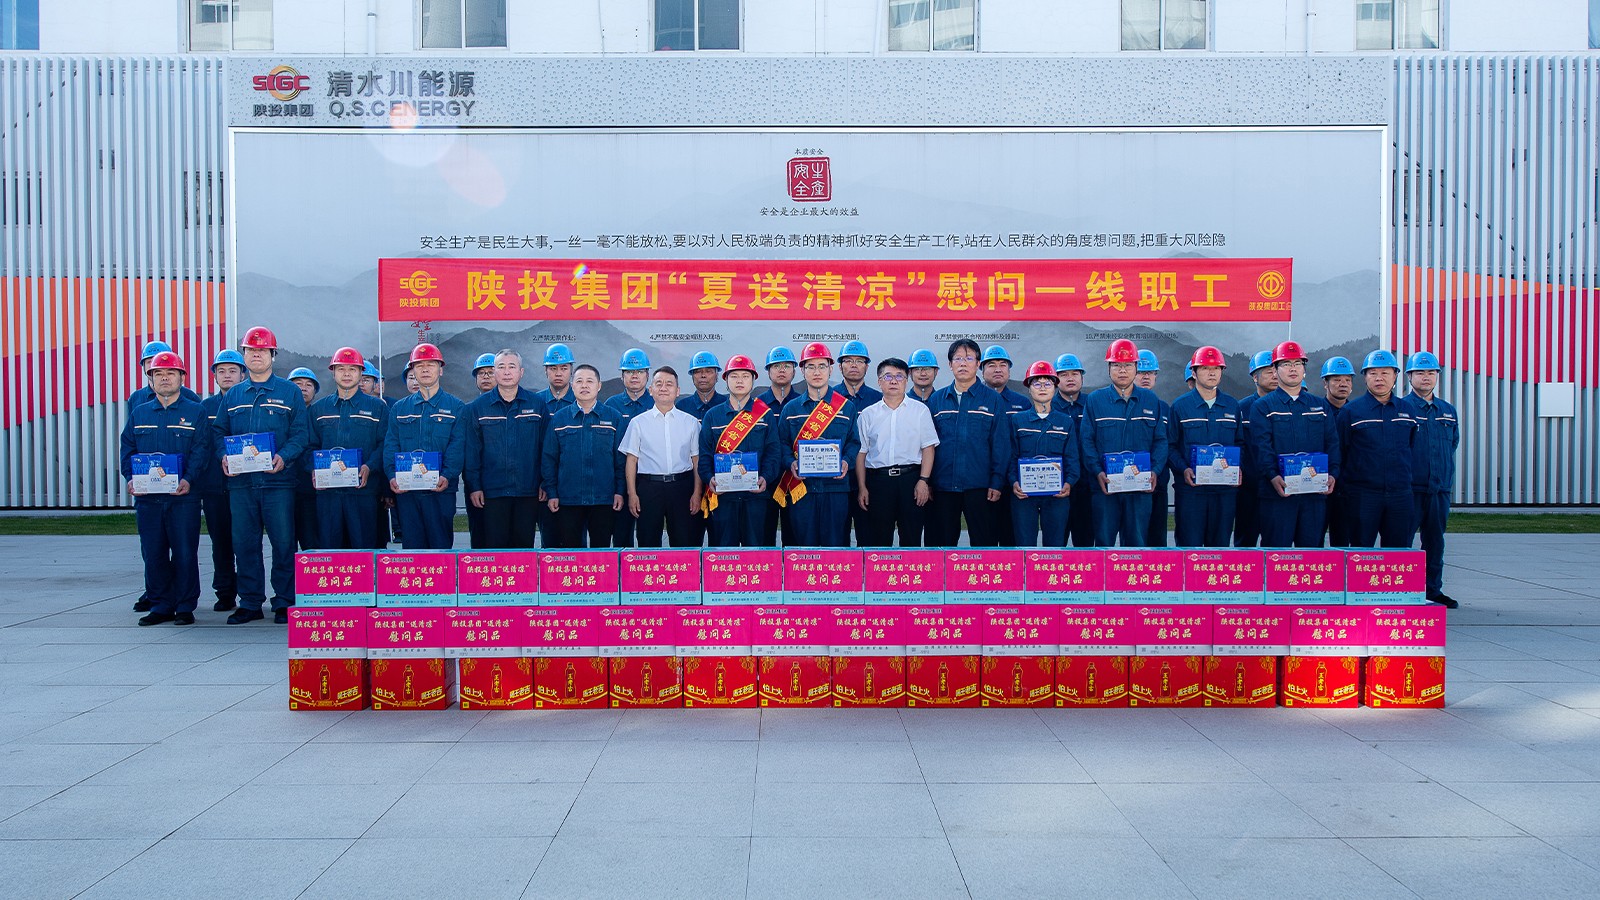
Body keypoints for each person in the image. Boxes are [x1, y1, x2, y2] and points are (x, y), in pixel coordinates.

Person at [212, 326, 308, 624]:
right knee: (244, 544)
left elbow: (300, 434)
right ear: (244, 356)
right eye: (251, 351)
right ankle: (251, 602)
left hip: (278, 482)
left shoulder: (289, 392)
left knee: (283, 543)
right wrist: (223, 455)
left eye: (262, 350)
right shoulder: (234, 395)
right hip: (242, 485)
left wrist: (284, 457)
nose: (256, 355)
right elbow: (219, 431)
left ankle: (284, 600)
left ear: (272, 355)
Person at [120, 351, 208, 626]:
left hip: (183, 497)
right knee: (153, 553)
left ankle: (184, 606)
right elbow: (127, 450)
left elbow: (201, 450)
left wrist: (189, 479)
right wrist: (130, 478)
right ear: (151, 379)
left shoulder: (195, 411)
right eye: (158, 373)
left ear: (182, 377)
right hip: (149, 500)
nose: (164, 378)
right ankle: (160, 605)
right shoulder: (140, 412)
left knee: (184, 552)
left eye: (171, 373)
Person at [1247, 340, 1340, 548]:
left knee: (1311, 553)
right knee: (1276, 552)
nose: (1293, 369)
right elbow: (1261, 446)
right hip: (1277, 494)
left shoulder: (1320, 406)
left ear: (1304, 370)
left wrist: (1333, 473)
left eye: (1298, 363)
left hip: (1314, 494)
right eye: (1286, 364)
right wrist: (1273, 476)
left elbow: (1332, 443)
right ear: (1275, 370)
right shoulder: (1263, 407)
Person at [1080, 339, 1167, 547]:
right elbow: (1086, 441)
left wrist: (1154, 470)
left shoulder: (1150, 400)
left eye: (1128, 365)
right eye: (1117, 365)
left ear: (1136, 368)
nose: (1122, 370)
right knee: (1104, 544)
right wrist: (1097, 471)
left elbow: (1161, 440)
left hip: (1139, 489)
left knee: (1137, 543)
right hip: (1105, 487)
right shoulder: (1095, 400)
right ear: (1109, 368)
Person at [775, 343, 860, 547]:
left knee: (836, 546)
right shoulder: (791, 409)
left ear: (831, 370)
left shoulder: (846, 407)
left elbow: (854, 442)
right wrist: (790, 463)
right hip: (801, 488)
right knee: (802, 547)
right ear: (802, 371)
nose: (816, 372)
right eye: (811, 367)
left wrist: (846, 461)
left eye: (822, 366)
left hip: (836, 489)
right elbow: (782, 444)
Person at [925, 340, 1008, 547]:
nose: (963, 363)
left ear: (978, 364)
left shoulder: (992, 400)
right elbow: (928, 445)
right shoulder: (937, 400)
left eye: (969, 358)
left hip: (980, 486)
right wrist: (928, 481)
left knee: (984, 544)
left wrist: (997, 481)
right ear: (950, 364)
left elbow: (1000, 444)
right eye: (958, 359)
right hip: (943, 486)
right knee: (942, 546)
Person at [384, 343, 466, 550]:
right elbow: (391, 444)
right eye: (420, 365)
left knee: (440, 546)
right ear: (413, 371)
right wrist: (392, 475)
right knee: (412, 547)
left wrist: (447, 475)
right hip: (407, 491)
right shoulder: (400, 409)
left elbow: (457, 445)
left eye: (431, 365)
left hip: (441, 490)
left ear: (441, 370)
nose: (425, 369)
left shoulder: (456, 407)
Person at [463, 349, 548, 549]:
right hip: (491, 492)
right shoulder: (477, 408)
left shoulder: (537, 405)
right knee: (493, 548)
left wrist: (546, 482)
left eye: (512, 367)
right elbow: (472, 452)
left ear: (521, 372)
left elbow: (546, 449)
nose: (507, 372)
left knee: (523, 548)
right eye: (501, 367)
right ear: (494, 372)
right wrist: (474, 486)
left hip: (528, 490)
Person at [307, 348, 390, 550]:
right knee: (330, 550)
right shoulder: (319, 409)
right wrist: (313, 469)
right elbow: (309, 445)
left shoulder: (378, 408)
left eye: (352, 369)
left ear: (361, 373)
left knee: (364, 549)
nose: (346, 374)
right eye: (341, 369)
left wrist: (370, 466)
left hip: (364, 493)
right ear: (333, 372)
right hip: (328, 495)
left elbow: (385, 445)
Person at [1338, 350, 1418, 549]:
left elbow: (1412, 447)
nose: (1379, 378)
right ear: (1365, 377)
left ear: (1395, 375)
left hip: (1400, 494)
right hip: (1363, 495)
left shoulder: (1407, 411)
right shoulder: (1351, 412)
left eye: (1385, 373)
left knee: (1398, 552)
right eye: (1373, 373)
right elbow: (1341, 451)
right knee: (1360, 551)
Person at [855, 357, 938, 547]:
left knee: (911, 537)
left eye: (899, 376)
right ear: (879, 381)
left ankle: (910, 568)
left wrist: (923, 481)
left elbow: (928, 448)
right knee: (878, 539)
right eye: (888, 376)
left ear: (906, 380)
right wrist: (862, 487)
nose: (894, 381)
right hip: (878, 482)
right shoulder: (868, 414)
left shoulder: (920, 411)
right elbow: (861, 453)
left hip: (911, 480)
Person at [699, 355, 781, 547]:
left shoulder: (765, 414)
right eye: (734, 376)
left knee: (756, 552)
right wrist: (709, 478)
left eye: (745, 376)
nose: (740, 381)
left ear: (753, 380)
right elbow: (704, 456)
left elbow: (773, 453)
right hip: (723, 498)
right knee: (724, 553)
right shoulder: (713, 416)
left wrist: (766, 478)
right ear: (725, 380)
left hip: (756, 497)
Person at [1401, 351, 1460, 608]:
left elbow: (1452, 443)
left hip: (1439, 489)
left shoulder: (1447, 411)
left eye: (1431, 372)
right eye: (1420, 373)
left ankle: (1433, 590)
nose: (1426, 377)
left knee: (1435, 542)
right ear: (1409, 377)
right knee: (1402, 542)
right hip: (1410, 489)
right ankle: (1403, 590)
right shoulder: (1402, 409)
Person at [544, 364, 625, 548]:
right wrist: (552, 493)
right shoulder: (560, 419)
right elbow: (549, 459)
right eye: (579, 381)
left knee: (601, 552)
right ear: (572, 386)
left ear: (599, 386)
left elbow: (620, 461)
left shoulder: (613, 418)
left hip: (604, 498)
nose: (584, 385)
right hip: (568, 499)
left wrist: (619, 491)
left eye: (590, 381)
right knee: (572, 552)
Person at [1168, 346, 1242, 547]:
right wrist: (1183, 469)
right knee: (1189, 547)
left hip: (1224, 492)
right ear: (1193, 372)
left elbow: (1240, 443)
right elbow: (1171, 446)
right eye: (1205, 368)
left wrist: (1239, 467)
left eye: (1216, 368)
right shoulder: (1180, 406)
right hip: (1191, 492)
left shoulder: (1232, 406)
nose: (1212, 373)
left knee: (1219, 548)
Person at [621, 367, 704, 547]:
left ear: (677, 391)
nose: (664, 388)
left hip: (682, 487)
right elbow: (631, 460)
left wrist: (697, 493)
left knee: (684, 542)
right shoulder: (638, 423)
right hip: (649, 488)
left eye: (669, 384)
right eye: (658, 384)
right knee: (648, 542)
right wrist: (632, 494)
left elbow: (697, 461)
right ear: (651, 390)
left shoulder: (691, 423)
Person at [1007, 361, 1077, 548]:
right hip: (1024, 495)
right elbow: (1011, 456)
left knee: (1055, 546)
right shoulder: (1017, 421)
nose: (1043, 388)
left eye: (1048, 383)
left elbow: (1072, 458)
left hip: (1057, 494)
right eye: (1037, 383)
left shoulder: (1066, 422)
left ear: (1055, 387)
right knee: (1024, 545)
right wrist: (1013, 482)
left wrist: (1069, 482)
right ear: (1029, 389)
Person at [196, 349, 243, 612]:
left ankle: (249, 592)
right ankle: (225, 592)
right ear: (214, 376)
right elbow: (201, 446)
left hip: (244, 486)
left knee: (246, 542)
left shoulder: (249, 403)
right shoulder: (205, 408)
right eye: (221, 371)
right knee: (221, 542)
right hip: (214, 486)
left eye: (232, 370)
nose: (227, 375)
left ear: (242, 374)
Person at [605, 348, 654, 548]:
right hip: (619, 480)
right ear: (622, 375)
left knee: (648, 538)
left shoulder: (656, 402)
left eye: (640, 371)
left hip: (649, 480)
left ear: (647, 375)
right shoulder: (611, 405)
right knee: (621, 537)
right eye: (629, 371)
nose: (635, 376)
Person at [981, 345, 1028, 545]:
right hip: (984, 480)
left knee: (1012, 537)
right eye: (991, 365)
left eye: (1003, 365)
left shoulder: (1022, 403)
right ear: (982, 369)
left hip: (1014, 481)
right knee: (986, 537)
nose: (998, 369)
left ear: (1009, 370)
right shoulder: (973, 400)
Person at [1234, 349, 1278, 547]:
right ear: (1255, 376)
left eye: (1276, 370)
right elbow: (1237, 444)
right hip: (1248, 488)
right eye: (1268, 371)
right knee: (1245, 543)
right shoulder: (1241, 408)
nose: (1274, 375)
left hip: (1280, 487)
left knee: (1276, 543)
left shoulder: (1288, 408)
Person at [757, 346, 800, 546]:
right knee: (764, 536)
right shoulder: (756, 405)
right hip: (765, 479)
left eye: (786, 366)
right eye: (776, 366)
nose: (781, 370)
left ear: (795, 371)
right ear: (768, 371)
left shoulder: (802, 403)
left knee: (795, 537)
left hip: (796, 478)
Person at [1051, 352, 1095, 547]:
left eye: (1075, 374)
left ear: (1082, 377)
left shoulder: (1092, 404)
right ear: (1056, 379)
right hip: (1058, 484)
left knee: (1085, 542)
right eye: (1064, 374)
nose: (1070, 378)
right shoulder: (1048, 406)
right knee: (1056, 542)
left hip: (1088, 483)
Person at [1135, 349, 1172, 547]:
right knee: (1134, 541)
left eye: (1150, 373)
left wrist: (1156, 471)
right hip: (1130, 484)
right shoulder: (1125, 407)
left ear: (1156, 376)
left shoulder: (1164, 408)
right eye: (1141, 372)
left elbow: (1169, 444)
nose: (1145, 377)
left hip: (1158, 483)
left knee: (1157, 540)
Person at [462, 351, 499, 548]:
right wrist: (473, 484)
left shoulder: (513, 407)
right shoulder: (468, 409)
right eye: (481, 373)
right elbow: (468, 451)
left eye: (490, 372)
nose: (485, 376)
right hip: (476, 483)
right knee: (479, 536)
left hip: (501, 484)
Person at [1319, 356, 1358, 546]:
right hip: (1319, 486)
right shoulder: (1315, 411)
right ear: (1325, 383)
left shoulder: (1357, 413)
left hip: (1348, 489)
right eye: (1336, 379)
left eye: (1347, 380)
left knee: (1343, 543)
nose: (1343, 384)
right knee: (1313, 541)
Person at [288, 367, 321, 550]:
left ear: (315, 391)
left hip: (311, 490)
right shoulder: (282, 414)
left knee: (311, 541)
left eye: (309, 385)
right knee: (286, 543)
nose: (303, 388)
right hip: (284, 487)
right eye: (298, 384)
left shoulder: (319, 416)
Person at [676, 351, 727, 419]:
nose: (703, 375)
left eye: (708, 371)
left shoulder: (727, 405)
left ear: (717, 375)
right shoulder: (682, 407)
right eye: (698, 372)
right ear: (692, 376)